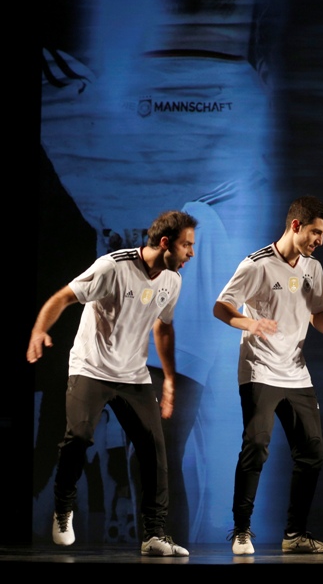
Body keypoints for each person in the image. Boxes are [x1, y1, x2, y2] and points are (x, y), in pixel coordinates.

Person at [26, 211, 197, 556]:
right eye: (186, 245)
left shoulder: (172, 281)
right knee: (79, 438)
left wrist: (168, 381)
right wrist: (39, 330)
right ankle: (64, 508)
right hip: (90, 368)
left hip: (132, 376)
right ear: (165, 243)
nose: (191, 253)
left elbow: (163, 327)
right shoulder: (111, 267)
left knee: (154, 450)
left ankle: (154, 535)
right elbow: (63, 297)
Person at [214, 196, 323, 555]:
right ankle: (242, 531)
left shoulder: (313, 268)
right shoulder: (256, 264)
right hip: (260, 369)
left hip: (296, 373)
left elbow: (317, 314)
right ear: (295, 226)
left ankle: (295, 535)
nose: (320, 240)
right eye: (315, 233)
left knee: (312, 453)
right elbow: (222, 307)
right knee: (256, 446)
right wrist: (251, 323)